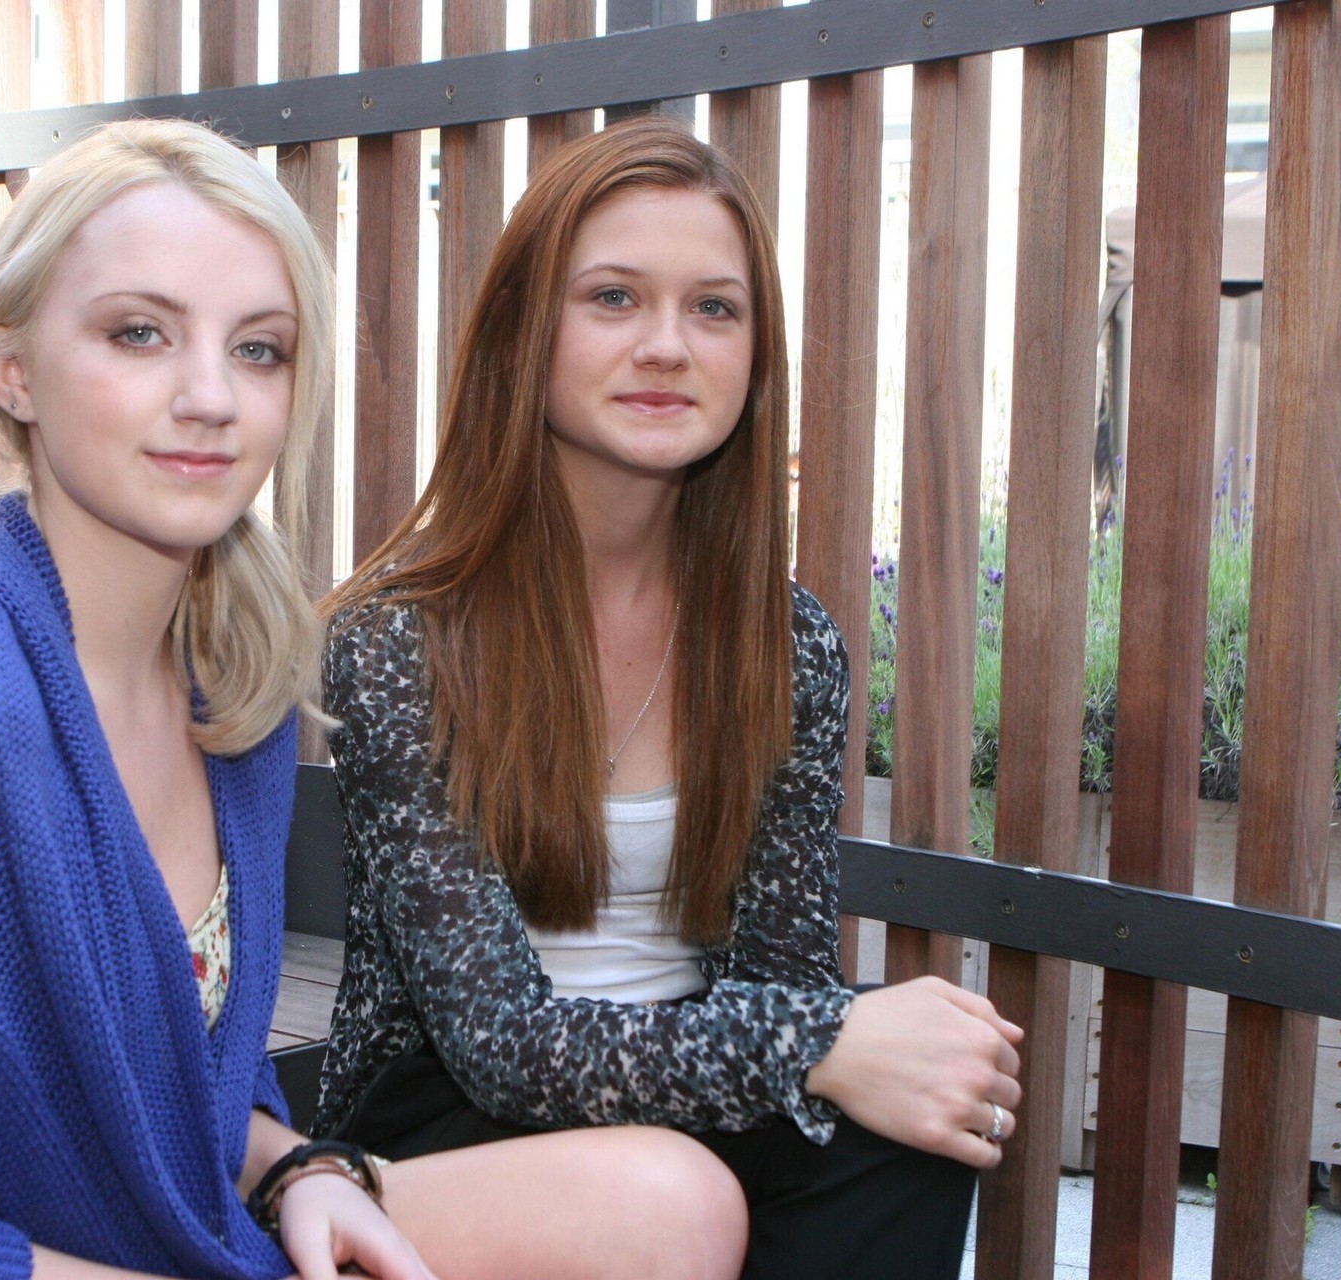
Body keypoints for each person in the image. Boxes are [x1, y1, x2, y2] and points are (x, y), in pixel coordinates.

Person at [0, 118, 748, 1280]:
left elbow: (174, 1081)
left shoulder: (229, 682)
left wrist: (297, 1168)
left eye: (258, 349)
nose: (210, 396)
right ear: (10, 368)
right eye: (138, 332)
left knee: (675, 1204)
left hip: (181, 1219)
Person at [317, 115, 1025, 1279]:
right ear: (523, 332)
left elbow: (780, 977)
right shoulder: (405, 636)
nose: (666, 345)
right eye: (613, 298)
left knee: (918, 1119)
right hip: (452, 1115)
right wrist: (825, 1037)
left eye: (713, 308)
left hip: (702, 1083)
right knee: (767, 1108)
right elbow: (497, 1041)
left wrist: (862, 1046)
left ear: (754, 356)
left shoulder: (785, 643)